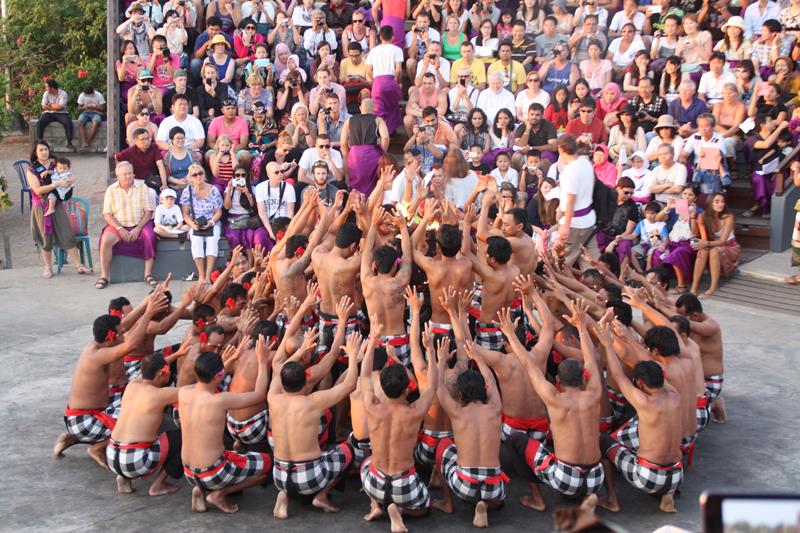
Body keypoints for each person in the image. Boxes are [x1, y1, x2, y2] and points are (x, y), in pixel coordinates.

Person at [504, 301, 604, 511]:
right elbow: (591, 360)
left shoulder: (554, 398)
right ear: (583, 378)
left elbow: (529, 364)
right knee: (605, 439)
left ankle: (537, 499)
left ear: (558, 379)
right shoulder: (594, 394)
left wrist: (511, 335)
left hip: (566, 478)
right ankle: (595, 495)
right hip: (597, 476)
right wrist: (582, 328)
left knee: (516, 440)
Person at [53, 292, 164, 467]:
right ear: (110, 337)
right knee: (137, 413)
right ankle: (98, 447)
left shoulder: (96, 344)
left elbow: (125, 325)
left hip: (82, 416)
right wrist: (149, 314)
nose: (123, 335)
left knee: (134, 400)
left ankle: (73, 439)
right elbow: (131, 344)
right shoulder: (99, 354)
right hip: (85, 420)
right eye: (120, 334)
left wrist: (148, 302)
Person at [269, 337, 359, 517]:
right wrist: (354, 356)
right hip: (309, 477)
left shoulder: (272, 397)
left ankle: (285, 495)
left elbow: (278, 369)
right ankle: (322, 495)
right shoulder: (313, 402)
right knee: (349, 449)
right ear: (305, 381)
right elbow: (349, 385)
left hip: (279, 476)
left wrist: (299, 352)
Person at [181, 345, 272, 513]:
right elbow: (259, 394)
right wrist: (262, 362)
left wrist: (227, 362)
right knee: (269, 465)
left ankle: (200, 489)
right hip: (214, 472)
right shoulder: (220, 400)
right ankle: (220, 493)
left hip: (188, 472)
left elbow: (207, 382)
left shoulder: (184, 393)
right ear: (218, 376)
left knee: (231, 455)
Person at [598, 339, 684, 513]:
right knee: (641, 429)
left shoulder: (644, 401)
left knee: (603, 441)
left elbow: (617, 375)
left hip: (648, 476)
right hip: (677, 475)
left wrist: (608, 344)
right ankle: (667, 494)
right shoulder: (675, 395)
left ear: (640, 383)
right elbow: (659, 376)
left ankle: (611, 500)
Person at [433, 340, 507, 528]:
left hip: (464, 483)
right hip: (494, 485)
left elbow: (439, 388)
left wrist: (441, 360)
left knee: (443, 444)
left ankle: (447, 502)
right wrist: (478, 359)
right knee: (498, 495)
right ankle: (488, 503)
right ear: (484, 391)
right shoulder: (495, 408)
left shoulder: (457, 412)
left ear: (460, 393)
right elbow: (490, 380)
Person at [106, 352, 183, 496]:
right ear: (161, 373)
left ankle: (124, 478)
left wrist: (178, 353)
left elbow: (148, 370)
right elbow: (196, 390)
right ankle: (158, 485)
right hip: (135, 461)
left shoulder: (132, 385)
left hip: (111, 456)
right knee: (183, 437)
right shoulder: (160, 395)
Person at [26, 141, 87, 278]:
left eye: (46, 149)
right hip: (41, 208)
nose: (44, 152)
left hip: (57, 206)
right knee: (45, 238)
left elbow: (70, 176)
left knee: (67, 233)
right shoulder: (32, 170)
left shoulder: (56, 164)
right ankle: (48, 267)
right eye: (41, 150)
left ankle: (78, 265)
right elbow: (38, 190)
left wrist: (71, 180)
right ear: (35, 153)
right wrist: (57, 183)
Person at [96, 161, 158, 290]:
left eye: (130, 173)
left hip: (139, 223)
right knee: (106, 240)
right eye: (125, 174)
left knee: (150, 236)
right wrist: (120, 229)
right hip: (118, 224)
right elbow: (107, 214)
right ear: (117, 175)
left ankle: (148, 274)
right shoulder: (111, 190)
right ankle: (104, 276)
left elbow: (148, 212)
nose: (128, 176)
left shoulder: (142, 187)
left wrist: (138, 229)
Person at [555, 134, 599, 267]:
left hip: (574, 223)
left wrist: (565, 226)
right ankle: (596, 287)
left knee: (561, 263)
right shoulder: (585, 162)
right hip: (589, 219)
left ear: (561, 150)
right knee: (591, 263)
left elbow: (571, 200)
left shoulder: (570, 171)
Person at [690, 193, 741, 299]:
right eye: (717, 201)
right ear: (710, 203)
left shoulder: (728, 217)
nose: (721, 204)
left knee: (714, 251)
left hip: (730, 246)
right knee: (703, 251)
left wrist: (706, 243)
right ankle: (694, 288)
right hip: (713, 244)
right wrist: (692, 216)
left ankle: (713, 287)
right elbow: (696, 234)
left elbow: (722, 241)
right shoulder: (703, 216)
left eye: (722, 201)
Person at [180, 164, 224, 284]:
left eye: (201, 173)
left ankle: (208, 274)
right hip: (195, 223)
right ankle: (201, 275)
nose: (198, 176)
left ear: (204, 174)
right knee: (196, 242)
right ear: (190, 177)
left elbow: (218, 212)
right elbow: (185, 214)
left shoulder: (213, 189)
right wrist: (192, 225)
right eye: (195, 175)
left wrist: (211, 222)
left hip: (212, 221)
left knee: (212, 241)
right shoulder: (187, 191)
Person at [340, 98, 390, 196]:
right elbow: (386, 137)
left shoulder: (349, 120)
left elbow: (343, 143)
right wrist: (382, 152)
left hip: (354, 155)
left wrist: (347, 156)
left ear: (360, 108)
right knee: (372, 184)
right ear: (373, 108)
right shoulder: (378, 120)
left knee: (356, 184)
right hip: (372, 154)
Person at [367, 26, 404, 135]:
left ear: (380, 37)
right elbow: (398, 70)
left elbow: (368, 70)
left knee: (378, 109)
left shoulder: (374, 51)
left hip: (378, 81)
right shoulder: (397, 50)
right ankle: (391, 131)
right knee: (393, 106)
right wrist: (398, 81)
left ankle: (380, 133)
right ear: (393, 37)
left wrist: (374, 81)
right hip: (391, 81)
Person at [116, 127, 169, 195]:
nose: (146, 142)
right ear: (135, 140)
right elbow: (116, 158)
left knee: (154, 194)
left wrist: (164, 184)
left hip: (152, 180)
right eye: (142, 139)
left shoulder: (154, 147)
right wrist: (120, 174)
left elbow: (160, 165)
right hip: (136, 180)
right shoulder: (129, 151)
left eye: (147, 138)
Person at [37, 79, 75, 151]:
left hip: (61, 113)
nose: (46, 89)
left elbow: (60, 107)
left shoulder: (63, 94)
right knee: (40, 122)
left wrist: (50, 105)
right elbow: (43, 106)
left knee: (67, 122)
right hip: (48, 113)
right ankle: (40, 141)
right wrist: (54, 107)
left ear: (52, 88)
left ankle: (69, 142)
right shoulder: (46, 93)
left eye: (47, 87)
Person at [76, 85, 106, 150]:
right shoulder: (82, 95)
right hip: (86, 113)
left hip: (97, 113)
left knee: (95, 123)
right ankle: (84, 141)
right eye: (86, 95)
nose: (87, 96)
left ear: (92, 93)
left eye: (88, 95)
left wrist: (95, 107)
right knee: (80, 122)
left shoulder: (98, 95)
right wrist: (85, 107)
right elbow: (79, 107)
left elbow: (104, 108)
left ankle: (87, 141)